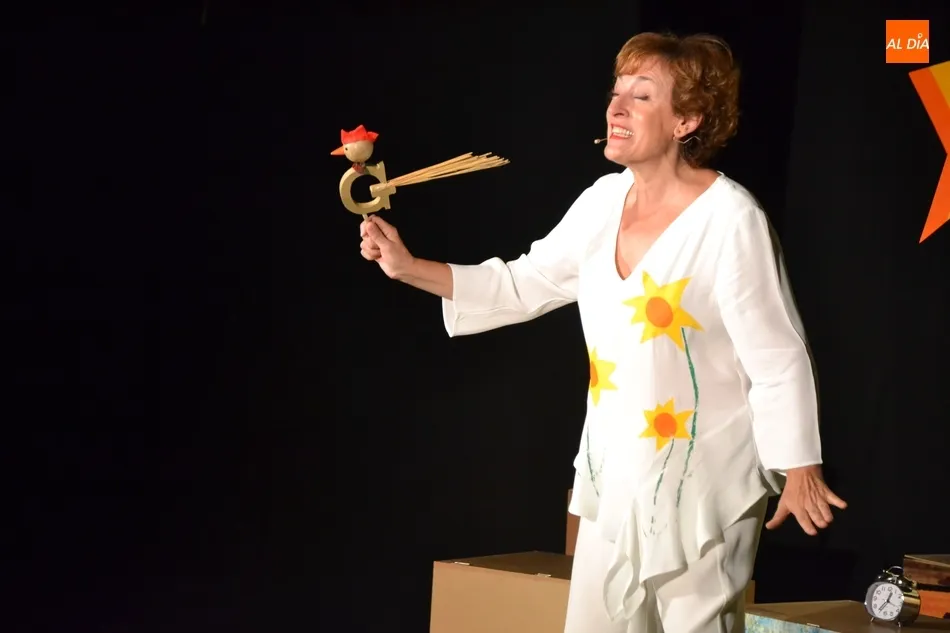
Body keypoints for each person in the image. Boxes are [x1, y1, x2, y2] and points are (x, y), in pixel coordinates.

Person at [358, 31, 847, 633]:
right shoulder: (601, 201)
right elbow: (524, 283)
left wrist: (799, 466)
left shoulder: (730, 219)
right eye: (616, 93)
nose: (617, 108)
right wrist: (407, 267)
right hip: (614, 469)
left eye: (641, 96)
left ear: (687, 120)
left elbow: (776, 353)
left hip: (705, 475)